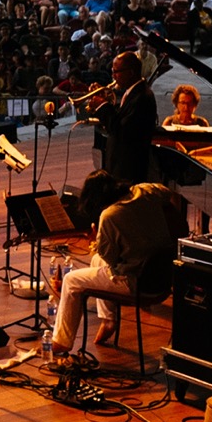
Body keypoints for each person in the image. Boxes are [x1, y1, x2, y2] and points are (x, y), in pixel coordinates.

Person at [49, 171, 184, 359]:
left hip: (137, 282)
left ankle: (61, 342)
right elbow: (166, 193)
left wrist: (94, 240)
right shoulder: (145, 191)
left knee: (72, 280)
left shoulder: (110, 215)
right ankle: (108, 320)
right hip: (162, 276)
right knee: (97, 263)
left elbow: (111, 260)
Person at [85, 50, 156, 186]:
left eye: (117, 71)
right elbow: (120, 117)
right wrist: (104, 100)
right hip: (120, 167)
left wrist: (103, 106)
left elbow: (121, 130)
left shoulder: (142, 97)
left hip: (128, 170)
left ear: (130, 72)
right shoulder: (132, 92)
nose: (113, 76)